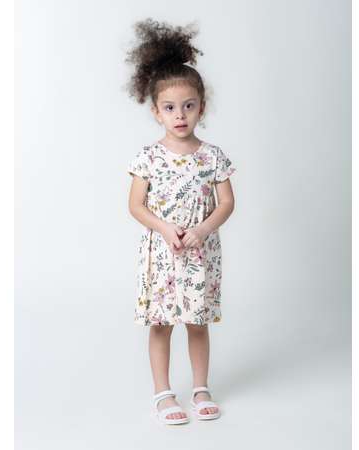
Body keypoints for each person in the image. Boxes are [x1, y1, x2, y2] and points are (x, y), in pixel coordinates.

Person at [125, 18, 236, 425]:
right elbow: (136, 205)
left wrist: (203, 229)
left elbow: (227, 202)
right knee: (160, 324)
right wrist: (163, 227)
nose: (180, 115)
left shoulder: (213, 156)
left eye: (189, 105)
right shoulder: (148, 157)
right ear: (156, 111)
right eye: (170, 107)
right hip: (162, 254)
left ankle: (201, 388)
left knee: (197, 322)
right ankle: (163, 393)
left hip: (200, 254)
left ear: (201, 107)